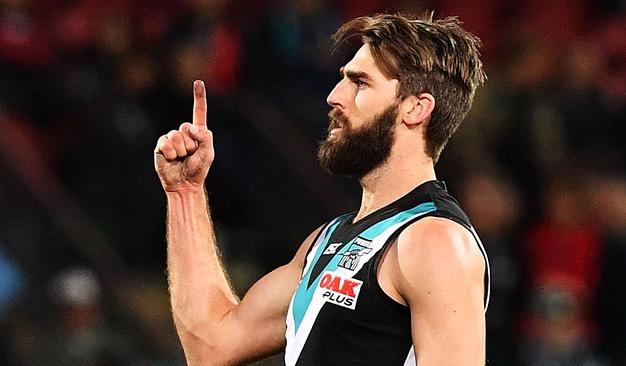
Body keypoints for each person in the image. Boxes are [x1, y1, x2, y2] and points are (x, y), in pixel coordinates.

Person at [154, 13, 490, 366]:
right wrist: (185, 193)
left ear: (415, 108)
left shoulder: (435, 241)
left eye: (359, 83)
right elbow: (212, 345)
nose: (334, 96)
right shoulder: (327, 240)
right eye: (342, 80)